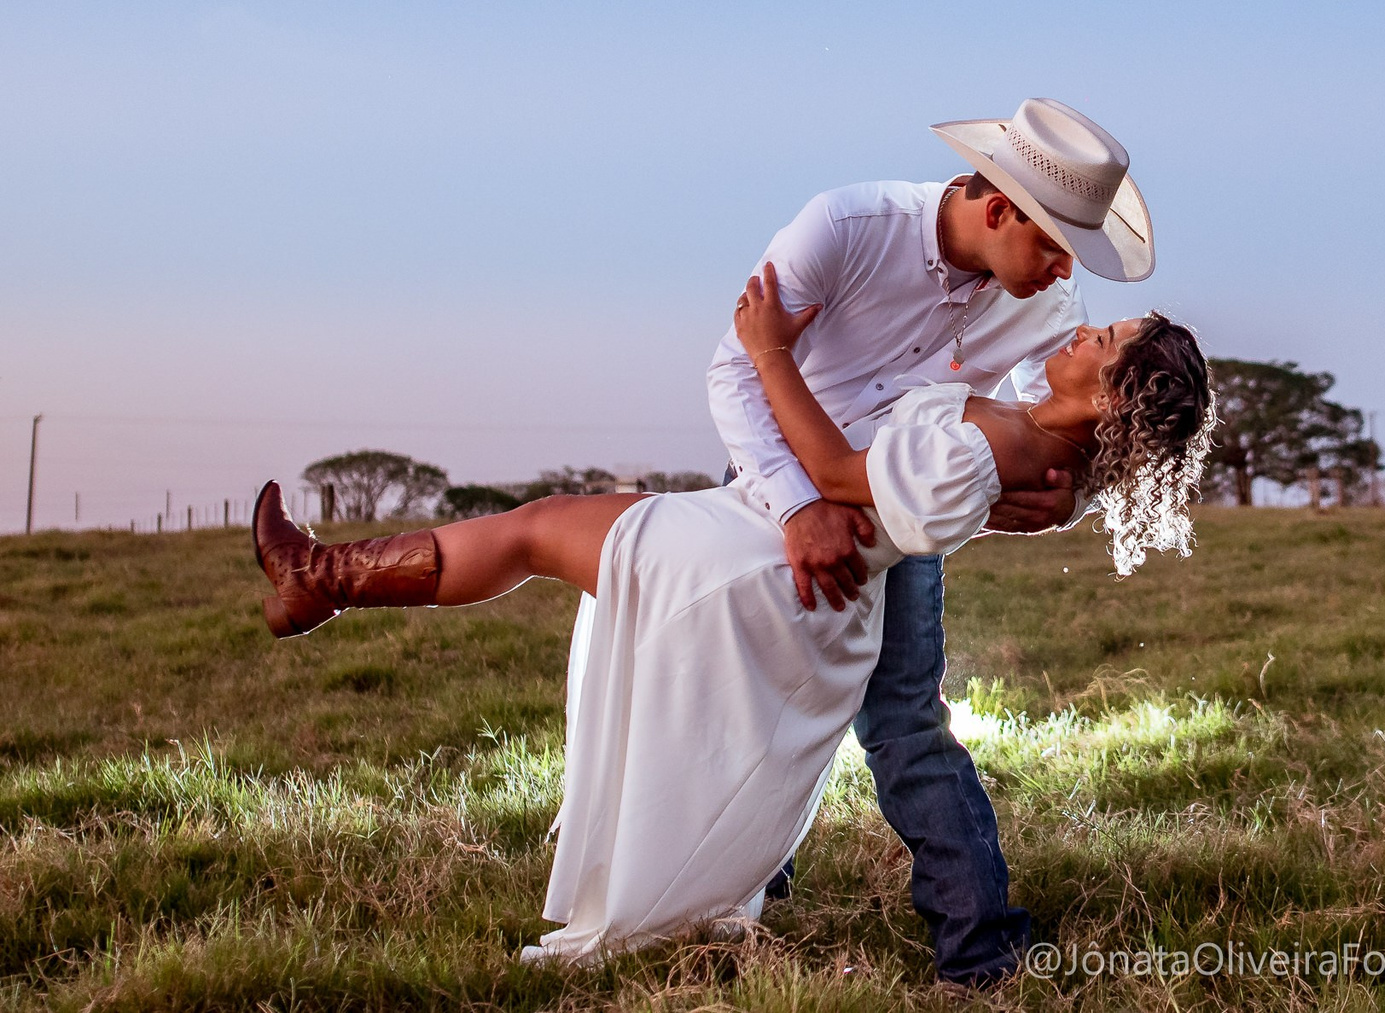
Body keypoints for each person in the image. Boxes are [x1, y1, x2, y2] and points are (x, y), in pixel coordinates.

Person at [247, 295, 1214, 964]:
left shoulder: (1000, 451)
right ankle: (321, 578)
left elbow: (838, 476)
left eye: (1104, 339)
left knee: (536, 529)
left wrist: (767, 351)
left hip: (756, 561)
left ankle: (320, 580)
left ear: (1113, 396)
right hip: (762, 544)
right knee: (544, 530)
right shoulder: (1032, 447)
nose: (1082, 328)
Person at [703, 97, 1157, 981]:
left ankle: (981, 950)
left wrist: (1071, 503)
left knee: (905, 716)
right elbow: (735, 371)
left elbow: (1083, 409)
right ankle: (746, 899)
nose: (1067, 273)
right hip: (773, 490)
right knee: (763, 706)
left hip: (903, 510)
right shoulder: (845, 226)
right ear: (997, 210)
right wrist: (800, 506)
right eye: (1056, 244)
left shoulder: (1045, 296)